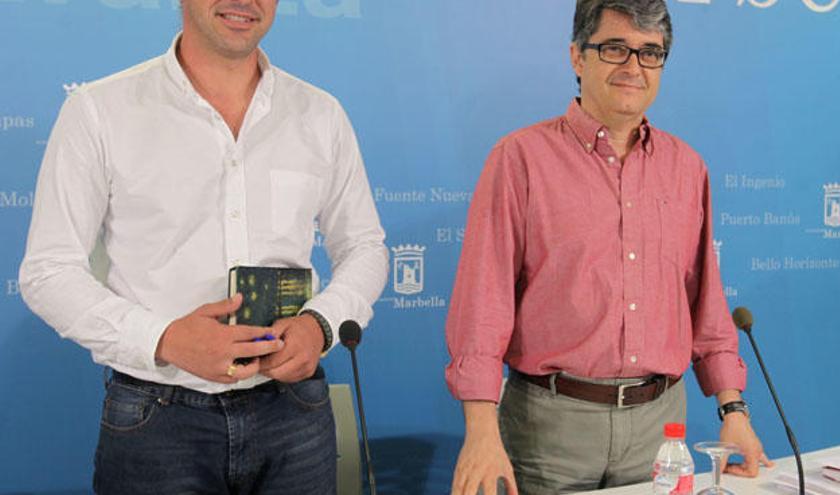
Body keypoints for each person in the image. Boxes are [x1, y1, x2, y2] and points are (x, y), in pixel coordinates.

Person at [19, 1, 388, 493]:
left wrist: (319, 326)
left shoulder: (319, 113)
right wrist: (164, 339)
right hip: (157, 420)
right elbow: (48, 271)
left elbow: (365, 245)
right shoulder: (100, 109)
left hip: (294, 412)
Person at [445, 1, 772, 493]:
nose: (633, 68)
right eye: (615, 48)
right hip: (549, 430)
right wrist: (481, 432)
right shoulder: (520, 159)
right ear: (578, 57)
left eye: (650, 53)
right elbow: (482, 307)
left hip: (661, 432)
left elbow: (706, 303)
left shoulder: (687, 168)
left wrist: (734, 410)